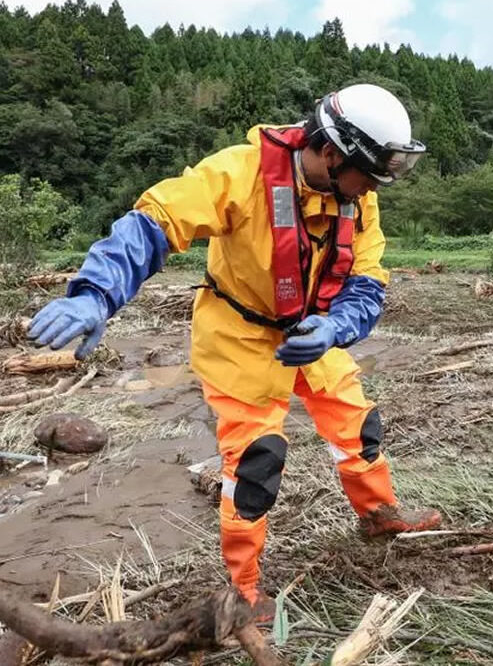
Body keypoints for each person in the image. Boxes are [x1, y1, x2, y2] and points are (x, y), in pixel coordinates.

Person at [28, 83, 444, 615]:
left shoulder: (358, 200)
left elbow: (367, 281)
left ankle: (380, 514)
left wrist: (336, 326)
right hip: (239, 336)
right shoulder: (239, 174)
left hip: (312, 332)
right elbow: (154, 221)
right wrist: (96, 295)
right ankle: (243, 587)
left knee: (358, 426)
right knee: (255, 463)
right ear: (333, 155)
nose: (375, 188)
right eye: (371, 174)